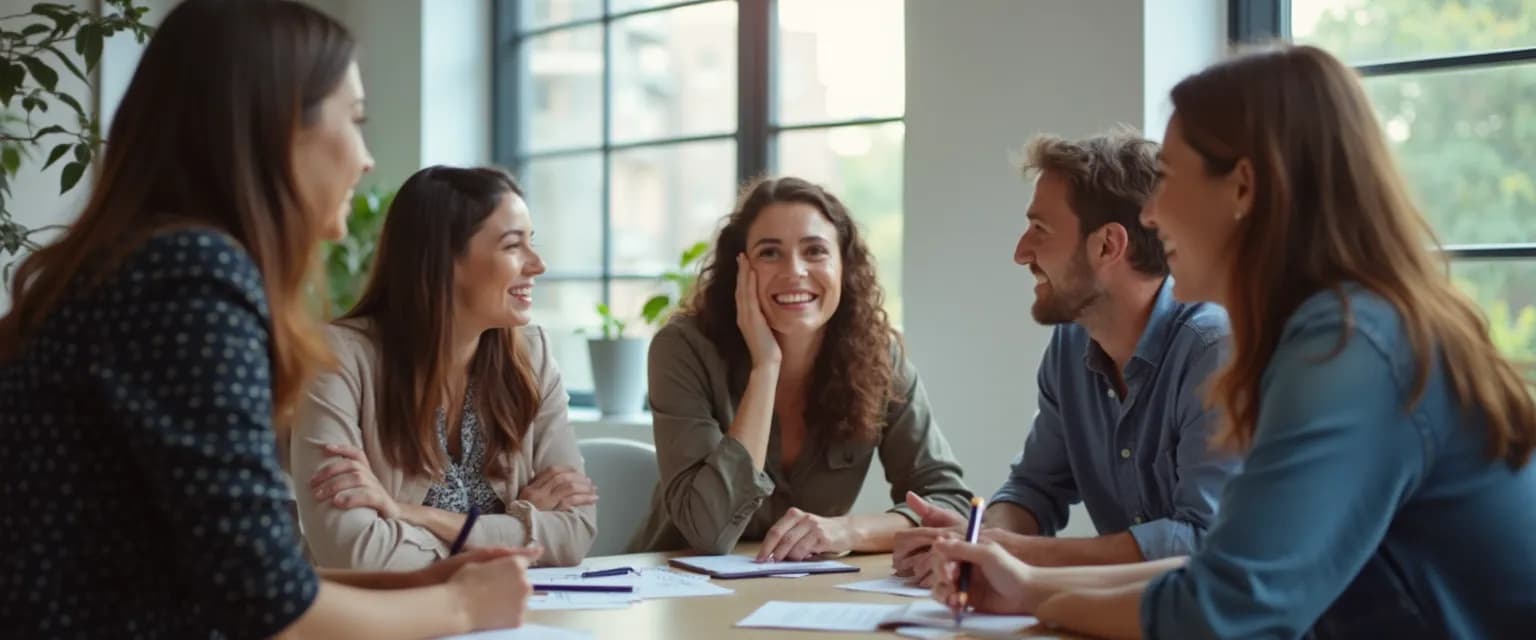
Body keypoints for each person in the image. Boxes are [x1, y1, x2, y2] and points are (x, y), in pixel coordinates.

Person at [926, 44, 1536, 640]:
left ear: (1243, 187)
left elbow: (1222, 610)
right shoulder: (1332, 331)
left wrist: (1041, 595)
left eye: (1167, 179)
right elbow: (1223, 568)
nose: (1151, 215)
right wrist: (1028, 587)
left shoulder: (1347, 349)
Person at [0, 1, 536, 637]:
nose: (366, 159)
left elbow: (224, 572)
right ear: (280, 128)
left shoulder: (135, 264)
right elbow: (264, 605)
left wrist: (417, 585)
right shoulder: (189, 277)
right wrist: (464, 607)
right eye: (355, 119)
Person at [893, 130, 1238, 583]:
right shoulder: (1071, 344)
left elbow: (1204, 542)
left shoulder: (1213, 348)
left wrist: (1016, 552)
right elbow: (1034, 489)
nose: (1021, 253)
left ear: (1107, 245)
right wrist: (978, 542)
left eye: (1040, 229)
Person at [629, 176, 972, 559]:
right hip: (677, 583)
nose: (794, 270)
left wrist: (849, 531)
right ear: (740, 269)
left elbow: (951, 506)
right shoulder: (684, 349)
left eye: (815, 251)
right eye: (769, 253)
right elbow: (708, 533)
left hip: (807, 586)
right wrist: (766, 366)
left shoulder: (879, 357)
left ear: (844, 266)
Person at [291, 165, 597, 570]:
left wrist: (413, 515)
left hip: (506, 608)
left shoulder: (532, 356)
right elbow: (356, 554)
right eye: (512, 246)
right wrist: (514, 529)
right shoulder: (338, 359)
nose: (537, 264)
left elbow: (574, 533)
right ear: (443, 262)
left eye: (531, 243)